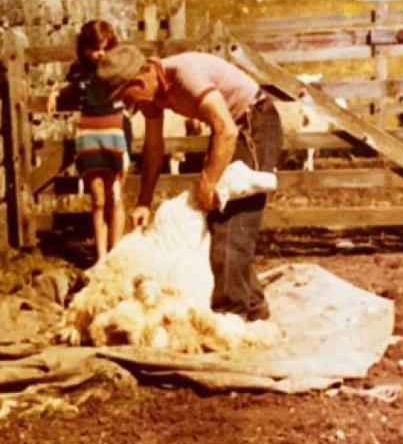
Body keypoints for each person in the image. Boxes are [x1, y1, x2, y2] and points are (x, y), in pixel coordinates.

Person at [96, 45, 283, 321]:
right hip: (230, 128)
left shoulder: (185, 75)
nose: (128, 106)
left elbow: (226, 130)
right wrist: (144, 201)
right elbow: (154, 146)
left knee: (231, 221)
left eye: (127, 98)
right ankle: (253, 305)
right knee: (218, 222)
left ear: (139, 81)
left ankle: (230, 315)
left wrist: (208, 182)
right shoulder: (154, 93)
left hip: (253, 124)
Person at [48, 20, 131, 262]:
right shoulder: (78, 70)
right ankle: (101, 257)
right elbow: (72, 91)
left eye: (105, 47)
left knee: (115, 196)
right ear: (84, 48)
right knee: (97, 198)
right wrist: (56, 94)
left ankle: (116, 254)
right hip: (89, 134)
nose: (100, 54)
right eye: (94, 48)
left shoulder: (119, 68)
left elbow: (133, 93)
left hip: (115, 132)